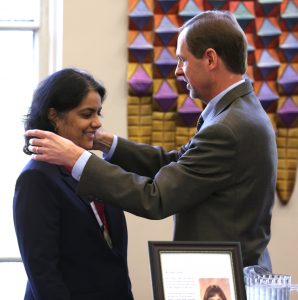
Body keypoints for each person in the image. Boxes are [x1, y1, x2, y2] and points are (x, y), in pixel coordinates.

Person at [25, 11, 277, 271]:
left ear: (211, 59)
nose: (178, 70)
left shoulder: (227, 127)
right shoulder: (240, 110)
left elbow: (155, 197)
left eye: (182, 59)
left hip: (221, 281)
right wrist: (108, 143)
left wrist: (78, 159)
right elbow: (175, 163)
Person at [14, 68, 134, 300]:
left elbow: (113, 258)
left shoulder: (93, 169)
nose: (97, 122)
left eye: (99, 113)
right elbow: (44, 273)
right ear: (54, 116)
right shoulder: (37, 177)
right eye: (87, 114)